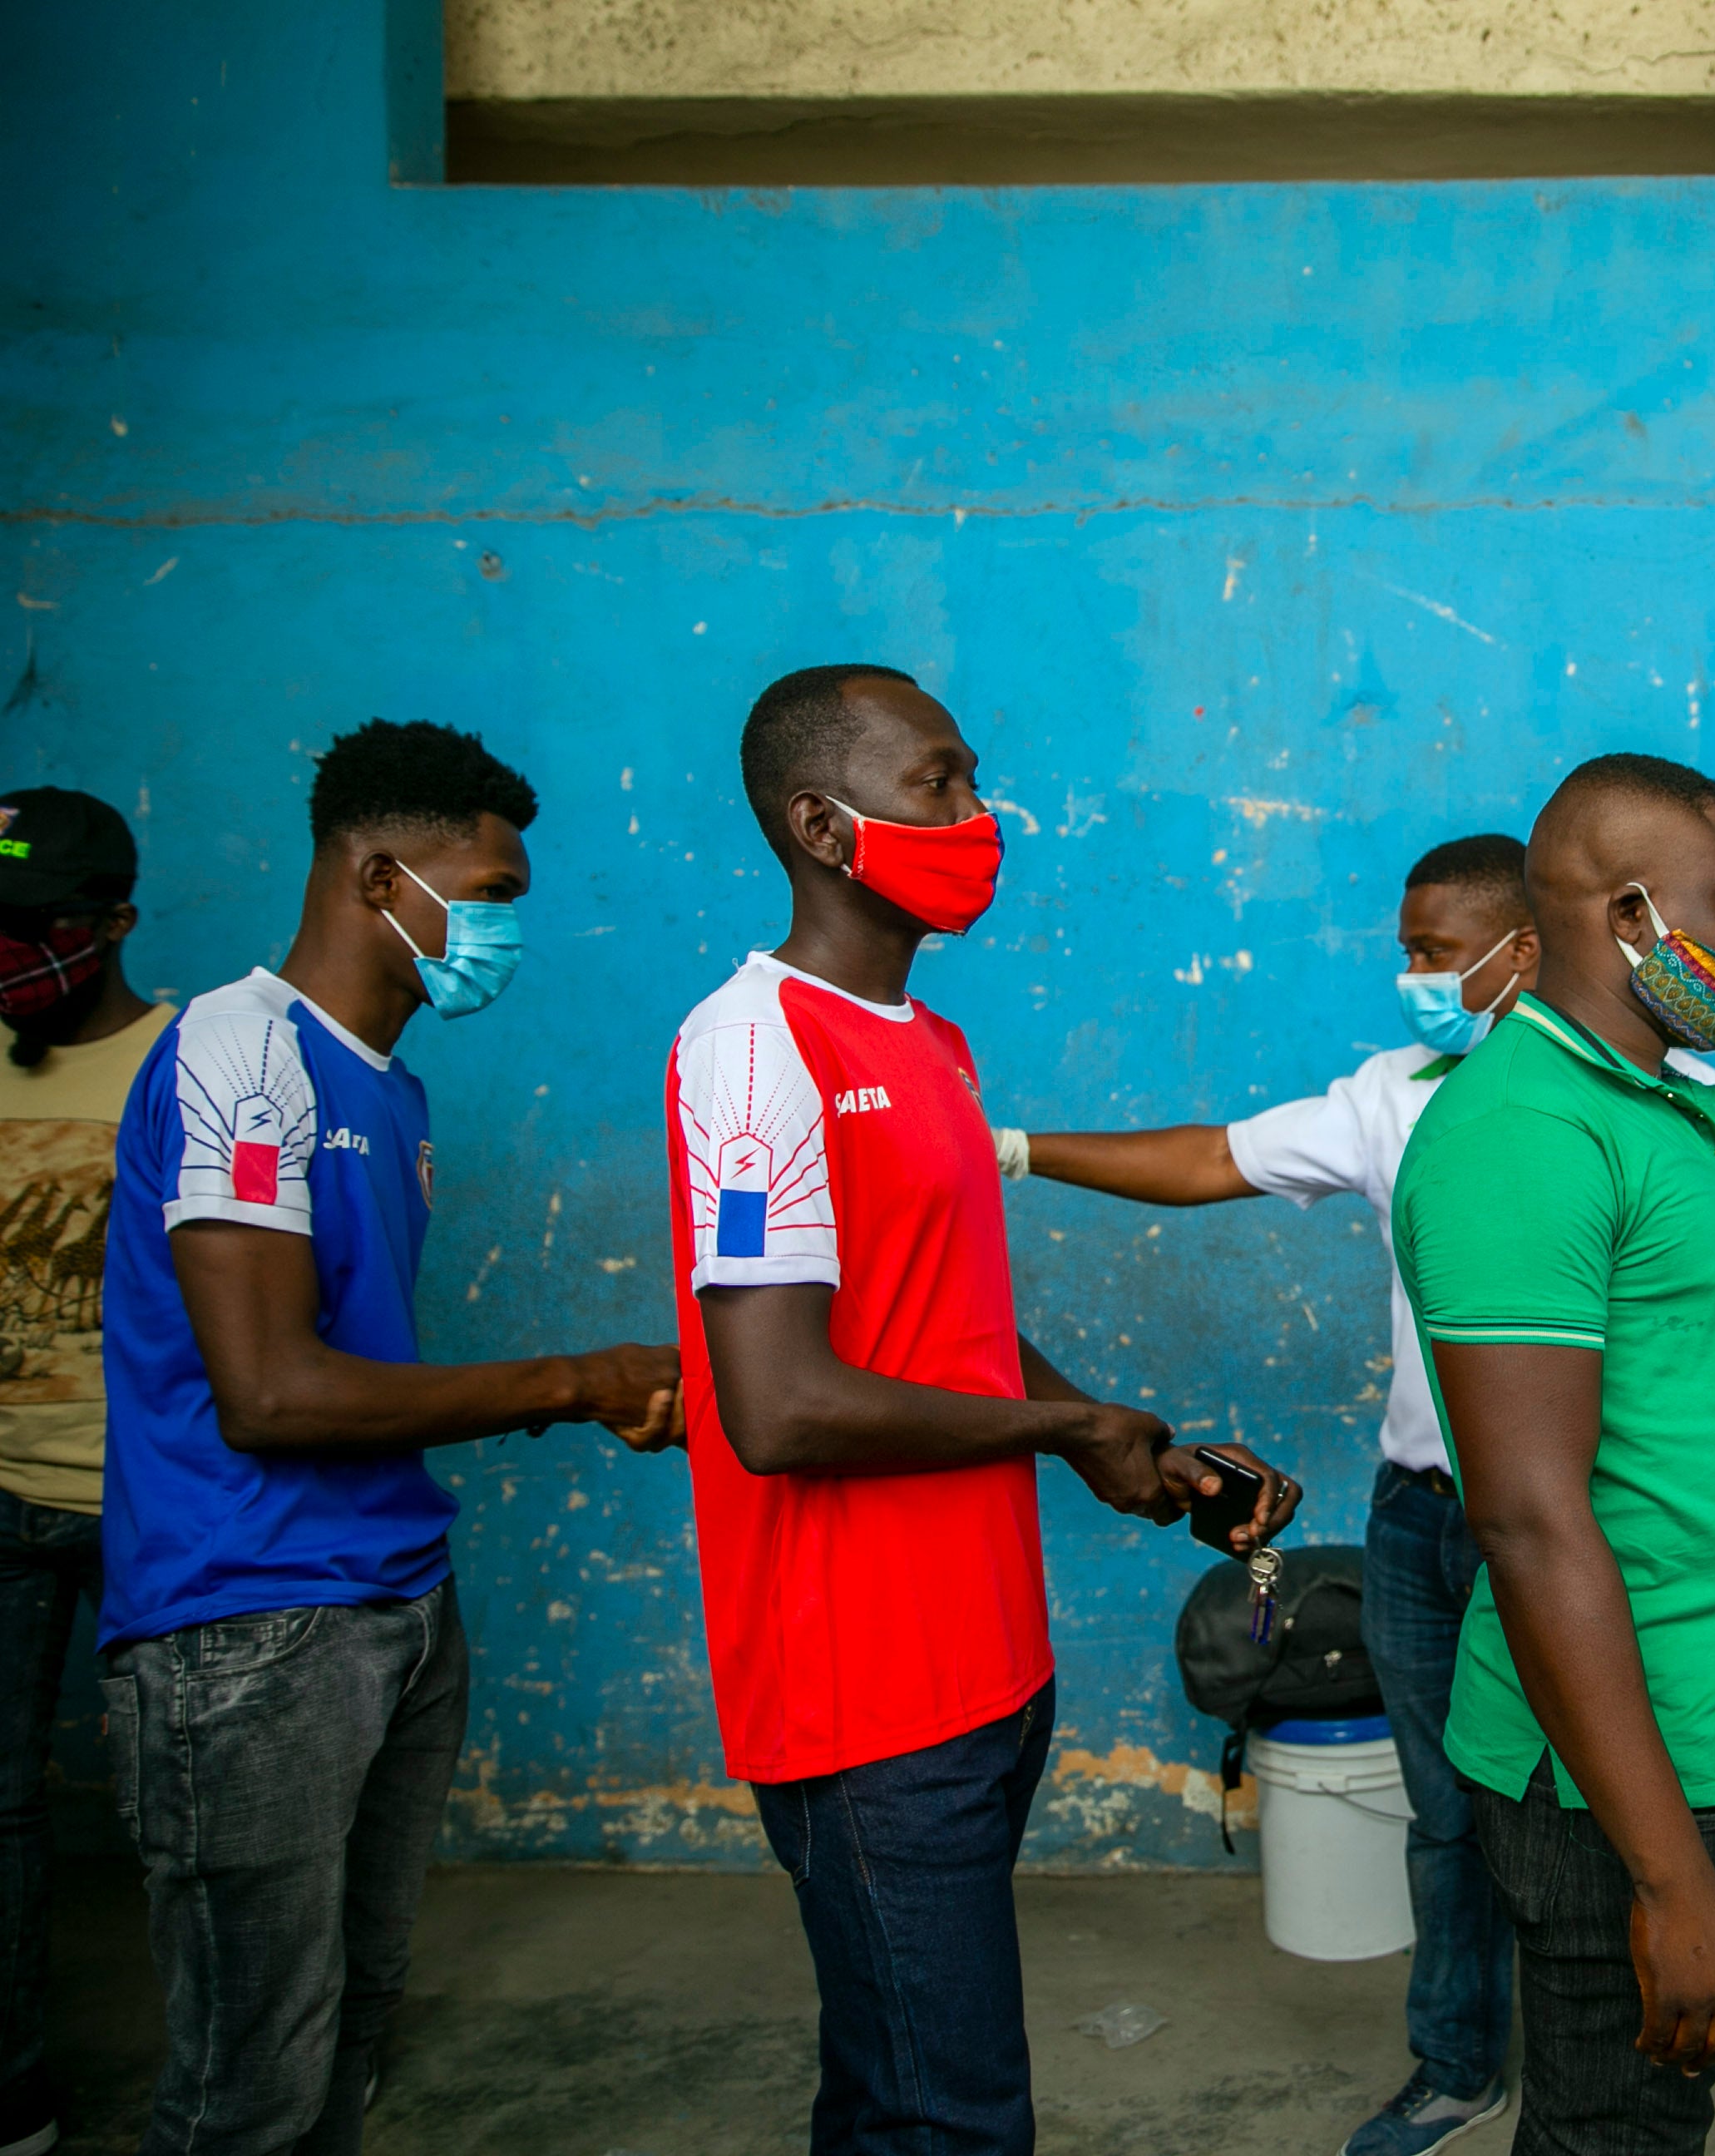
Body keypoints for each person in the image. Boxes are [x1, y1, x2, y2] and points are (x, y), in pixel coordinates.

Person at [994, 830, 1715, 2156]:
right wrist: (1013, 1149)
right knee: (1449, 1812)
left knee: (1587, 1811)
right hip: (1425, 1515)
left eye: (1433, 950)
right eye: (1407, 948)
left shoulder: (1672, 1096)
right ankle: (1457, 2062)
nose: (1412, 974)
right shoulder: (1398, 1093)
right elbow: (1207, 1159)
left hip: (1563, 1527)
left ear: (1524, 947)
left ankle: (1598, 2056)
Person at [667, 663, 1302, 2156]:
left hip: (982, 1664)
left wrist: (1118, 1444)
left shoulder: (929, 1044)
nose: (978, 815)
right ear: (825, 826)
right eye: (939, 783)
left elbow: (951, 1324)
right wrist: (1063, 1433)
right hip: (860, 1692)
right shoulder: (753, 1048)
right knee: (950, 2119)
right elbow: (777, 1405)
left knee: (900, 2083)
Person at [99, 721, 684, 2156]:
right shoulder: (242, 1053)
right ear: (377, 876)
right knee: (249, 2079)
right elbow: (273, 1396)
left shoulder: (385, 1083)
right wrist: (573, 1377)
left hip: (393, 1598)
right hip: (248, 1624)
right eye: (484, 890)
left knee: (351, 2032)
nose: (501, 925)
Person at [1391, 753, 1715, 2156]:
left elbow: (1700, 1400)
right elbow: (1528, 1523)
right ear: (1633, 912)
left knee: (1649, 2115)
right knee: (1613, 2131)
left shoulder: (1668, 1097)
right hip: (1618, 1778)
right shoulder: (1524, 1131)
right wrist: (1670, 1876)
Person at [0, 787, 170, 2155]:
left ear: (111, 923)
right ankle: (12, 2090)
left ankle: (243, 2078)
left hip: (151, 1499)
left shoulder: (187, 1065)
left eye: (36, 929)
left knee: (191, 1815)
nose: (12, 957)